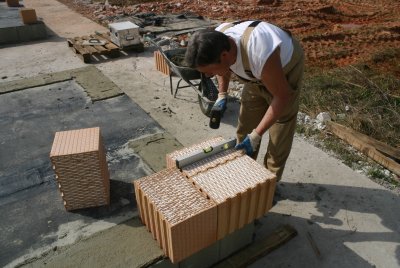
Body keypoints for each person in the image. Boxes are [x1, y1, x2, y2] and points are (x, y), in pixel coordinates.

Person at [185, 20, 304, 181]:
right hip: (256, 74)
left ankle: (268, 184)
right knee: (245, 126)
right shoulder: (219, 38)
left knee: (279, 135)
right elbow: (223, 69)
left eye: (209, 71)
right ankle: (245, 175)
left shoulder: (259, 51)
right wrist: (222, 94)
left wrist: (257, 135)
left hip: (283, 69)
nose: (207, 76)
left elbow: (282, 97)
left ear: (224, 55)